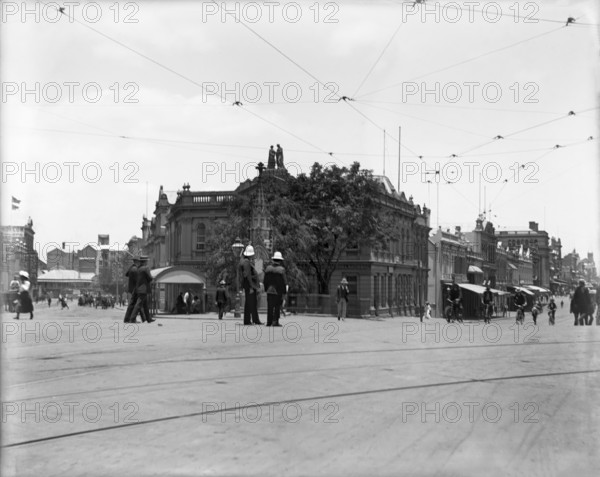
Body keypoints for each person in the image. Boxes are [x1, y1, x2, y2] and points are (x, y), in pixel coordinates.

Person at [239, 245, 262, 325]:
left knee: (249, 304)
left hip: (249, 286)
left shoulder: (246, 261)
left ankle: (248, 320)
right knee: (252, 304)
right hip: (250, 286)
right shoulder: (246, 262)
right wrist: (251, 287)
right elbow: (247, 275)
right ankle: (255, 320)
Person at [263, 251, 287, 327]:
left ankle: (269, 322)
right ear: (280, 261)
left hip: (269, 290)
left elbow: (265, 281)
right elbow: (284, 282)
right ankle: (275, 321)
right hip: (278, 292)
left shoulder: (268, 268)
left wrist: (266, 289)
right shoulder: (281, 270)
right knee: (277, 306)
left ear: (273, 259)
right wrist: (284, 292)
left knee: (270, 307)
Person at [131, 256, 155, 323]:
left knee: (145, 305)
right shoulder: (146, 268)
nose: (147, 262)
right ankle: (132, 318)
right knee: (138, 304)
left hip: (138, 289)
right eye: (147, 261)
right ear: (145, 261)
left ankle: (148, 319)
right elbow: (150, 278)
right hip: (143, 289)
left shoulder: (138, 268)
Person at [124, 256, 141, 323]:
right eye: (140, 262)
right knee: (134, 306)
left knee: (131, 305)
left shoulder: (132, 268)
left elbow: (126, 274)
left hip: (131, 290)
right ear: (137, 262)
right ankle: (132, 319)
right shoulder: (135, 269)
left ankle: (128, 319)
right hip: (134, 290)